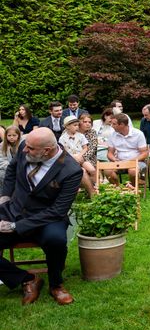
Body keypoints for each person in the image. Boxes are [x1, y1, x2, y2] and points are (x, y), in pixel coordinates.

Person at [0, 127, 82, 305]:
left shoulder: (71, 170)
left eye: (30, 149)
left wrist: (15, 227)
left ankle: (56, 285)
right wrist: (4, 197)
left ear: (47, 151)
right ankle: (27, 279)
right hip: (15, 210)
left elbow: (57, 210)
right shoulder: (26, 146)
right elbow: (12, 170)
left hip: (47, 219)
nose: (24, 150)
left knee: (56, 240)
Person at [105, 113, 148, 187]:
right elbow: (110, 153)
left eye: (114, 124)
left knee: (132, 171)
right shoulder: (113, 135)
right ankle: (118, 189)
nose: (112, 126)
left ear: (122, 124)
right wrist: (114, 159)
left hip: (136, 162)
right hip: (119, 162)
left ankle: (134, 190)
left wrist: (131, 161)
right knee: (107, 171)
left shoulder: (138, 134)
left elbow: (144, 153)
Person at [59, 116, 95, 196]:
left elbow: (85, 148)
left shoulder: (81, 136)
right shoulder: (62, 138)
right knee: (82, 171)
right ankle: (86, 189)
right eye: (74, 125)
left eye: (77, 125)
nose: (77, 127)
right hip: (71, 159)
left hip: (81, 157)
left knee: (92, 170)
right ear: (67, 126)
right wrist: (73, 157)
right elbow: (63, 151)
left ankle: (93, 187)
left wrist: (80, 155)